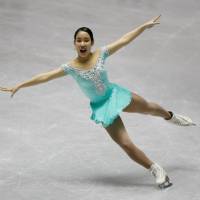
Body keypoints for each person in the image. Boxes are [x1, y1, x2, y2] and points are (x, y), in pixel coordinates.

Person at [0, 15, 196, 189]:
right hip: (102, 107)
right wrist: (20, 85)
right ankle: (155, 168)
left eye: (86, 40)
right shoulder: (70, 67)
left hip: (115, 94)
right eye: (79, 40)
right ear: (74, 43)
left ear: (91, 42)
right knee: (126, 144)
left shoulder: (101, 53)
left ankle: (170, 116)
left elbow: (124, 40)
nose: (82, 43)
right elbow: (45, 76)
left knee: (149, 108)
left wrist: (143, 27)